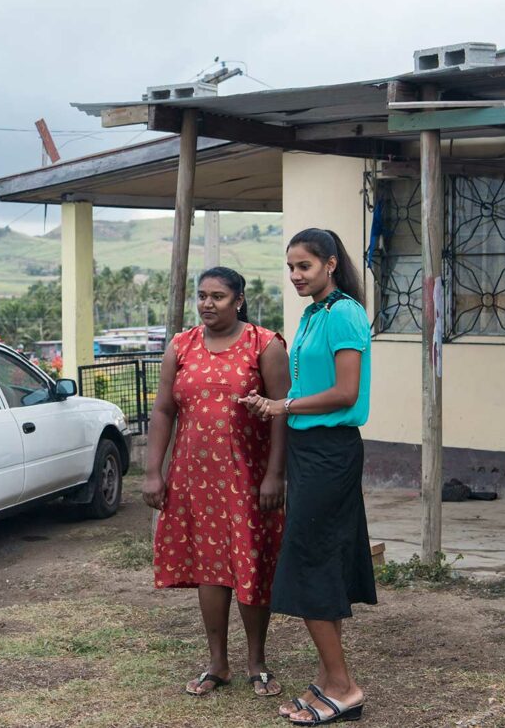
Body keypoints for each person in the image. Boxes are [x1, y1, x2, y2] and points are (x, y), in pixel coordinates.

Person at [241, 228, 376, 726]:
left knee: (310, 562)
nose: (296, 276)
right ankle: (329, 679)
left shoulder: (344, 313)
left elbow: (345, 393)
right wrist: (272, 405)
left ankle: (344, 687)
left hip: (330, 453)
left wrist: (285, 404)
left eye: (305, 266)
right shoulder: (312, 314)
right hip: (307, 448)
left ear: (331, 264)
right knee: (318, 560)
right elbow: (304, 387)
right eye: (292, 267)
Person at [143, 267, 290, 698]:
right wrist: (154, 470)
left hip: (248, 476)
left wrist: (275, 475)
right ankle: (217, 663)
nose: (208, 304)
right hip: (195, 478)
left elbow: (283, 412)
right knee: (210, 567)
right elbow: (164, 411)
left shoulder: (265, 344)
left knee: (250, 563)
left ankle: (257, 661)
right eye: (203, 296)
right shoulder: (181, 345)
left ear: (239, 300)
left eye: (219, 296)